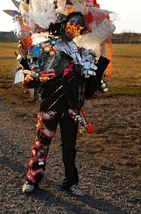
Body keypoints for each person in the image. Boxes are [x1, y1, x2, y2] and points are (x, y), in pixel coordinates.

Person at [21, 12, 109, 197]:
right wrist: (28, 69)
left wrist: (98, 69)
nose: (73, 30)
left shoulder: (81, 51)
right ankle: (32, 178)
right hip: (50, 105)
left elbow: (88, 82)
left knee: (70, 147)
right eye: (71, 25)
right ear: (63, 24)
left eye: (78, 27)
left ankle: (71, 182)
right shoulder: (48, 46)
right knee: (42, 143)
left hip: (71, 107)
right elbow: (34, 76)